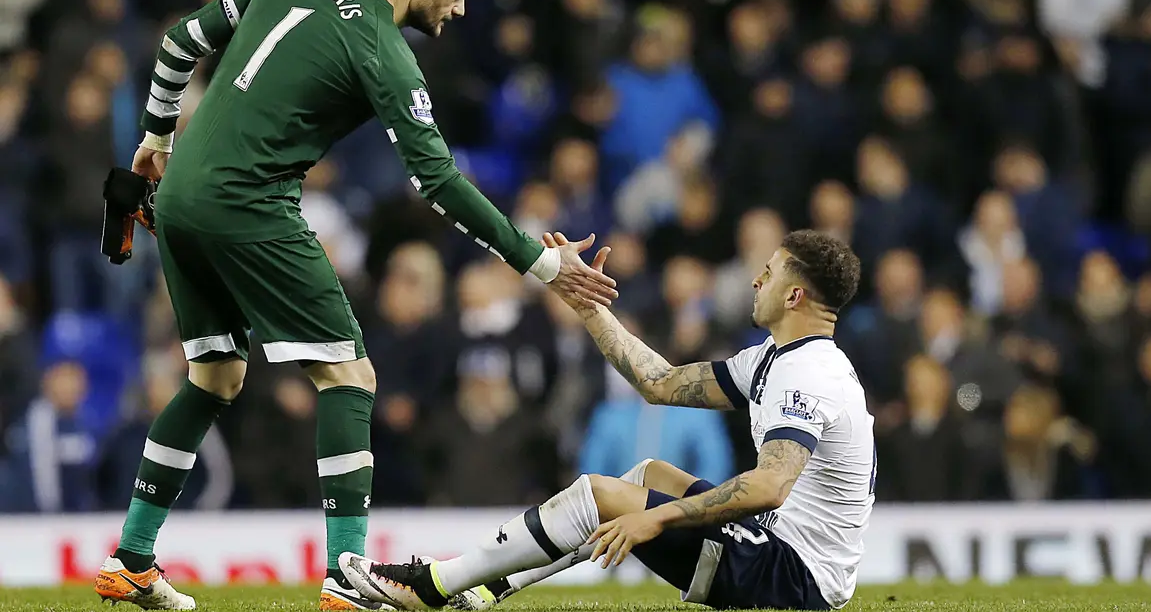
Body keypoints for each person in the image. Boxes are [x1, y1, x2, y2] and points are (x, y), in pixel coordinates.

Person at [91, 0, 618, 612]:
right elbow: (438, 182)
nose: (461, 7)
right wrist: (537, 263)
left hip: (180, 195)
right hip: (249, 203)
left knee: (214, 377)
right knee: (350, 374)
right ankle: (347, 575)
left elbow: (178, 42)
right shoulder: (383, 48)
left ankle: (132, 559)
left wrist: (156, 138)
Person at [342, 230, 873, 611]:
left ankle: (434, 584)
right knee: (646, 476)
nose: (757, 280)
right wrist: (585, 303)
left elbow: (770, 485)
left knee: (601, 494)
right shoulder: (775, 358)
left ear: (795, 294)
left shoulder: (807, 373)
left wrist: (657, 519)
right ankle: (482, 592)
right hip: (781, 551)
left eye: (770, 272)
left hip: (796, 581)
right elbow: (659, 382)